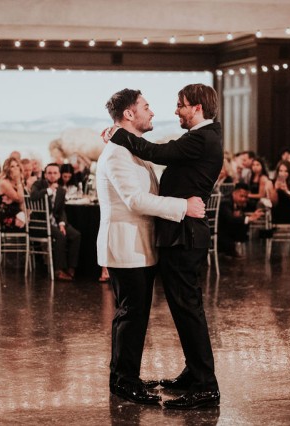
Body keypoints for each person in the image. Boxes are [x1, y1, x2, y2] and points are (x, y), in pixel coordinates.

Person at [109, 83, 222, 409]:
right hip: (180, 233)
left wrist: (117, 134)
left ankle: (205, 386)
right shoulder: (204, 136)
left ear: (197, 108)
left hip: (184, 235)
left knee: (188, 308)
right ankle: (194, 372)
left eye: (180, 105)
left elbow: (157, 153)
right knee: (183, 308)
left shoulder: (203, 137)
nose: (175, 111)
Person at [30, 163, 81, 281]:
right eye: (49, 173)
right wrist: (48, 190)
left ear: (59, 175)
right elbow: (33, 196)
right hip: (40, 223)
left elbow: (61, 210)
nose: (52, 176)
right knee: (60, 236)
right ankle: (59, 270)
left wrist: (62, 223)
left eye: (55, 173)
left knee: (75, 235)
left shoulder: (61, 191)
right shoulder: (38, 184)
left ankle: (71, 267)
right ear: (45, 174)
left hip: (54, 222)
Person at [218, 183, 263, 257]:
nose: (243, 199)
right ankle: (227, 251)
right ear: (234, 193)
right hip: (218, 233)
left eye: (246, 197)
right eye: (241, 196)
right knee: (241, 221)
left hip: (226, 232)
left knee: (242, 221)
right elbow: (230, 219)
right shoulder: (225, 202)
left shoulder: (239, 202)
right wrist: (249, 218)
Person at [0, 157, 26, 232]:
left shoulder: (17, 182)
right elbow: (19, 199)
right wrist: (18, 181)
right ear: (8, 170)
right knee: (31, 222)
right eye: (12, 166)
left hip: (17, 212)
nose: (16, 168)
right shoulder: (4, 183)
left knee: (35, 218)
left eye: (17, 166)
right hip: (7, 214)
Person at [271, 160, 290, 224]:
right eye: (281, 171)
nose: (283, 174)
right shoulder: (272, 182)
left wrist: (286, 191)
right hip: (277, 211)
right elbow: (273, 203)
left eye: (286, 171)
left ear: (289, 172)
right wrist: (275, 189)